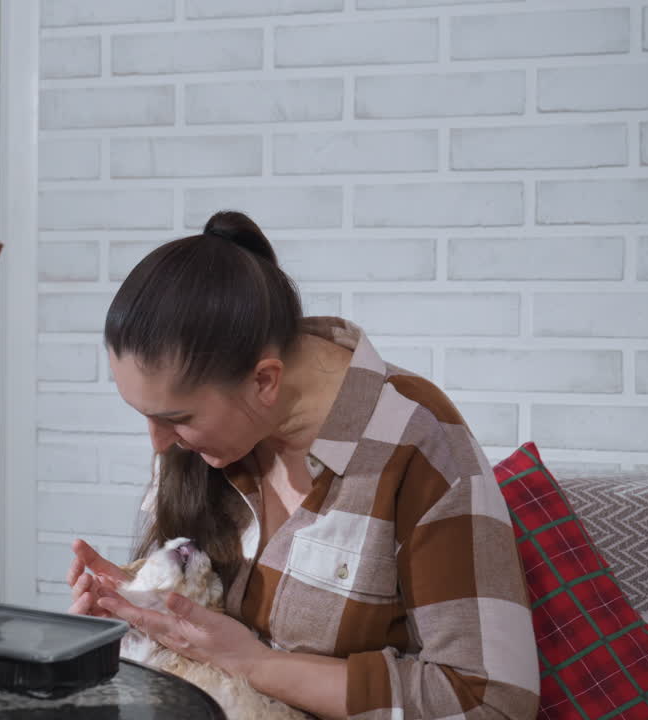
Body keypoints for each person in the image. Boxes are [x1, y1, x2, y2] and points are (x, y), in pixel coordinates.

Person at [67, 211, 540, 720]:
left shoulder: (417, 443)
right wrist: (139, 609)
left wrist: (255, 664)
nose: (159, 445)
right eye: (147, 415)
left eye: (176, 419)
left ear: (265, 381)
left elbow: (491, 701)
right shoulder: (205, 442)